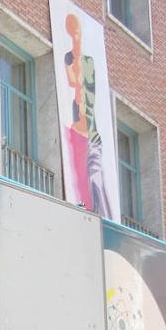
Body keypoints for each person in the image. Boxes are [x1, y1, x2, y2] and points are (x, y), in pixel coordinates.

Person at [63, 13, 114, 221]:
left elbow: (86, 91)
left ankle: (107, 223)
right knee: (82, 183)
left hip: (91, 133)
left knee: (96, 178)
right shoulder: (69, 58)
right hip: (77, 131)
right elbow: (73, 84)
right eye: (73, 31)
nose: (76, 36)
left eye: (78, 32)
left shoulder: (89, 61)